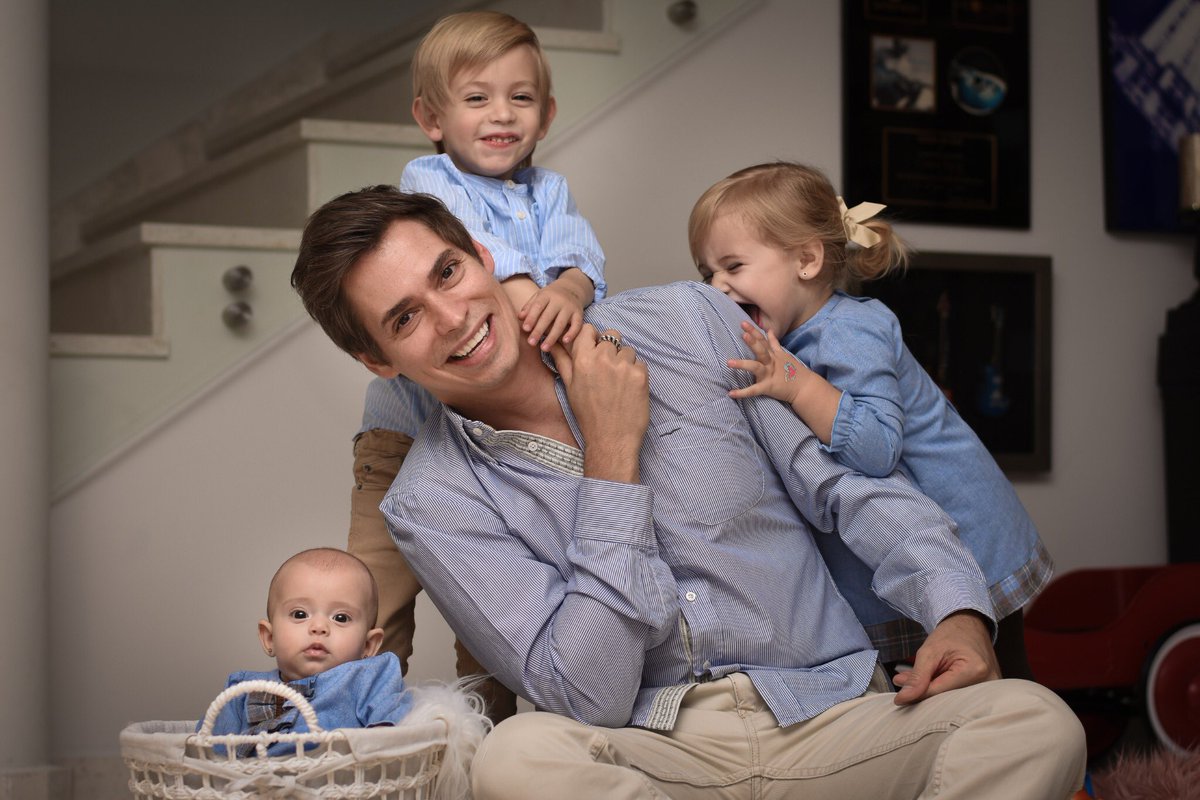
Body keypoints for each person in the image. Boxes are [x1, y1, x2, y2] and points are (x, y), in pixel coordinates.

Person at [290, 185, 1086, 798]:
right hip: (654, 755)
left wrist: (957, 612)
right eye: (405, 318)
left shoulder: (688, 319)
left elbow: (849, 486)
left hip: (833, 716)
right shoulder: (429, 506)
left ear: (480, 255)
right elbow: (590, 696)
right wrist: (611, 456)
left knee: (1036, 723)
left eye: (448, 272)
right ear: (379, 362)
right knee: (516, 759)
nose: (453, 315)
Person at [687, 161, 1050, 679]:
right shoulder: (783, 342)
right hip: (903, 551)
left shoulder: (851, 329)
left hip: (968, 538)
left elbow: (877, 449)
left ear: (806, 260)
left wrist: (797, 383)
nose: (717, 287)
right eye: (707, 274)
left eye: (733, 267)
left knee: (1000, 679)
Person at [351, 10, 605, 722]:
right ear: (431, 119)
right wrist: (534, 296)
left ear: (546, 114)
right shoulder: (427, 182)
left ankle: (487, 738)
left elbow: (582, 260)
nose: (501, 114)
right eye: (476, 98)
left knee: (491, 601)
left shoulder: (550, 191)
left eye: (520, 98)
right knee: (375, 594)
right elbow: (489, 267)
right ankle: (355, 729)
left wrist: (570, 290)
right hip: (403, 439)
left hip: (490, 440)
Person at [204, 547, 413, 756]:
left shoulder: (370, 678)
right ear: (269, 638)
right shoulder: (241, 690)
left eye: (341, 618)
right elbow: (208, 755)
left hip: (337, 774)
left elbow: (393, 729)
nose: (319, 627)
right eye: (300, 614)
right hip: (256, 776)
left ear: (368, 645)